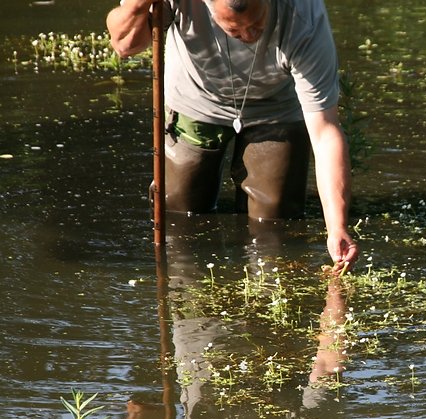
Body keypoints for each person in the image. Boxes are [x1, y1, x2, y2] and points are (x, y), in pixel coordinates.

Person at [106, 0, 358, 270]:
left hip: (276, 107)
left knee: (274, 224)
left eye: (258, 25)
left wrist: (337, 227)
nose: (249, 37)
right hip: (196, 98)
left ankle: (264, 301)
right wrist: (137, 5)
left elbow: (325, 133)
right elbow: (125, 46)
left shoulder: (304, 18)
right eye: (235, 31)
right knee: (181, 217)